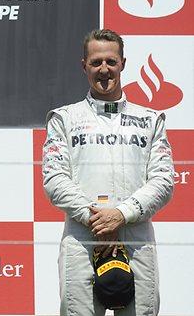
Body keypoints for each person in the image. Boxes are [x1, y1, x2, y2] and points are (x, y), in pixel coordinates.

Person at [42, 29, 174, 315]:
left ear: (123, 64)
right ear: (84, 66)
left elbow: (163, 181)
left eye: (111, 62)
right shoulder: (64, 119)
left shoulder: (150, 120)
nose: (104, 70)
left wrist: (122, 214)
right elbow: (54, 179)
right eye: (96, 62)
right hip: (83, 238)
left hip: (136, 240)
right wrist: (96, 218)